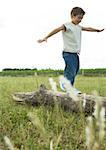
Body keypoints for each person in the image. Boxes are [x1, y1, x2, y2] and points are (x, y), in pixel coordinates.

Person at [37, 7, 104, 94]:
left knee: (75, 71)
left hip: (75, 53)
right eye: (79, 18)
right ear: (72, 16)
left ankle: (68, 87)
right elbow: (56, 30)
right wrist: (45, 37)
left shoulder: (78, 27)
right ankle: (67, 86)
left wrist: (97, 30)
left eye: (82, 18)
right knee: (71, 71)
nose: (80, 20)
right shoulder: (67, 25)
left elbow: (88, 28)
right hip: (68, 53)